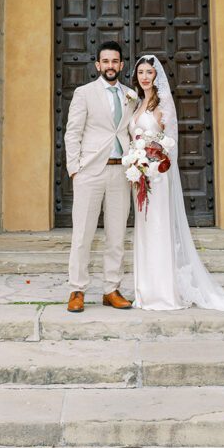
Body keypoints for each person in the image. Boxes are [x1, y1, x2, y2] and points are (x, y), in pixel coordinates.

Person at [130, 54, 224, 313]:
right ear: (136, 77)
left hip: (158, 178)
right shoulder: (136, 105)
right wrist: (135, 161)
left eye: (149, 72)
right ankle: (145, 292)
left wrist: (152, 158)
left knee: (159, 229)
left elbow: (167, 143)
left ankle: (163, 293)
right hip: (139, 177)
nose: (145, 77)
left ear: (156, 76)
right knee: (145, 230)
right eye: (141, 73)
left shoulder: (163, 107)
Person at [64, 41, 138, 313]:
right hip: (90, 172)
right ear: (98, 65)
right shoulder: (84, 93)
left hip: (121, 172)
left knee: (116, 235)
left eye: (114, 61)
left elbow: (132, 132)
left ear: (121, 65)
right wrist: (75, 169)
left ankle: (111, 289)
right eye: (105, 61)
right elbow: (72, 132)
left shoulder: (131, 95)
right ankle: (77, 289)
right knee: (82, 234)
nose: (110, 66)